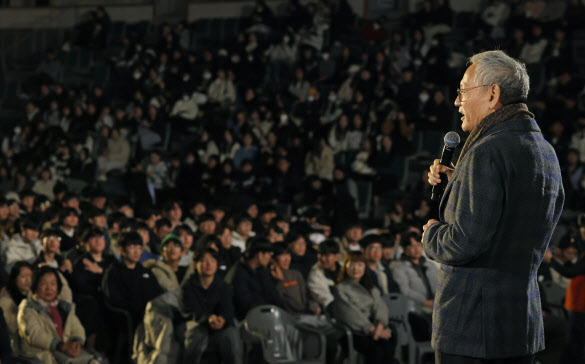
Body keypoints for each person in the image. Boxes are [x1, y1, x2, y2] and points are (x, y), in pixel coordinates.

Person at [424, 50, 565, 363]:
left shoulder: (486, 151)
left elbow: (463, 242)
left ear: (493, 94)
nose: (457, 101)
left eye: (463, 91)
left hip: (472, 330)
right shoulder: (544, 151)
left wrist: (431, 234)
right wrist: (458, 184)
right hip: (519, 326)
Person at [17, 266, 98, 364]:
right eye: (43, 283)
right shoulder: (27, 308)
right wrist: (60, 346)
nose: (49, 288)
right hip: (40, 355)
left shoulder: (64, 307)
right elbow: (34, 334)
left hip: (65, 352)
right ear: (35, 286)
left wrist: (77, 342)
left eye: (53, 284)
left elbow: (76, 326)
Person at [331, 252, 396, 364]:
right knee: (377, 351)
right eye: (352, 264)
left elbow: (381, 307)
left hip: (374, 329)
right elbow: (349, 314)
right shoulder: (341, 288)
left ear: (365, 268)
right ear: (345, 266)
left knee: (389, 344)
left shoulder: (371, 288)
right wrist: (372, 330)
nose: (355, 268)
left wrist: (380, 327)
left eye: (360, 265)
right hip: (354, 330)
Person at [180, 247, 240, 364]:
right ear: (195, 264)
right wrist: (208, 318)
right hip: (197, 323)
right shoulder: (188, 287)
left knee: (231, 335)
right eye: (203, 261)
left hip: (218, 324)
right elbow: (189, 311)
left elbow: (228, 309)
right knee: (195, 335)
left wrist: (223, 319)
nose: (208, 264)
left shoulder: (223, 286)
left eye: (212, 261)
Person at [103, 231, 164, 328]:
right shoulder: (114, 272)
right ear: (122, 250)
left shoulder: (144, 271)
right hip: (130, 318)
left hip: (152, 313)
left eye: (139, 248)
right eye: (132, 247)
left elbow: (158, 293)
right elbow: (115, 300)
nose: (136, 252)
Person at [393, 232, 438, 341]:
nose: (416, 249)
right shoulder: (399, 268)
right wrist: (424, 301)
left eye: (418, 245)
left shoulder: (430, 265)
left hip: (436, 305)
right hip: (415, 308)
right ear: (404, 249)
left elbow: (440, 284)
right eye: (412, 246)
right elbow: (405, 291)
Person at [224, 237, 283, 320]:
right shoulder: (240, 273)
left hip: (268, 316)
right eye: (269, 253)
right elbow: (244, 302)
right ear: (259, 255)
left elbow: (273, 294)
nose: (270, 257)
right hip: (248, 319)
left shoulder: (262, 271)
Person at [0, 261, 33, 345]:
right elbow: (13, 329)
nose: (28, 280)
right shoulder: (6, 302)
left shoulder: (34, 296)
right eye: (23, 276)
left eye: (30, 276)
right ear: (14, 278)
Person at [307, 239, 341, 311]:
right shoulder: (315, 274)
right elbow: (326, 300)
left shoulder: (345, 269)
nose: (322, 258)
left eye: (327, 255)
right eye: (320, 254)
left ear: (336, 257)